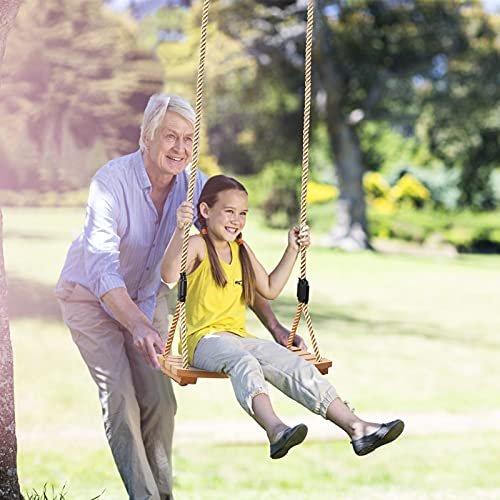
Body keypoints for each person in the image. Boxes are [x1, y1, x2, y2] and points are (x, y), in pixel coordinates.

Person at [55, 94, 305, 500]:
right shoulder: (111, 182)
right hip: (90, 297)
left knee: (160, 402)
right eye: (170, 136)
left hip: (150, 299)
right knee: (120, 398)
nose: (180, 148)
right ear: (146, 137)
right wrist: (135, 323)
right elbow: (102, 268)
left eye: (188, 139)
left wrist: (274, 326)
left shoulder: (198, 186)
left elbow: (232, 257)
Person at [161, 175, 405, 459]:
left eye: (242, 214)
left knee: (292, 362)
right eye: (229, 211)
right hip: (202, 342)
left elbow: (270, 288)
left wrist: (292, 249)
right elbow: (168, 274)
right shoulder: (197, 245)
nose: (236, 220)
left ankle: (357, 428)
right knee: (244, 362)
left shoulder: (241, 250)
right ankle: (275, 430)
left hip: (239, 338)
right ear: (205, 210)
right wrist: (179, 230)